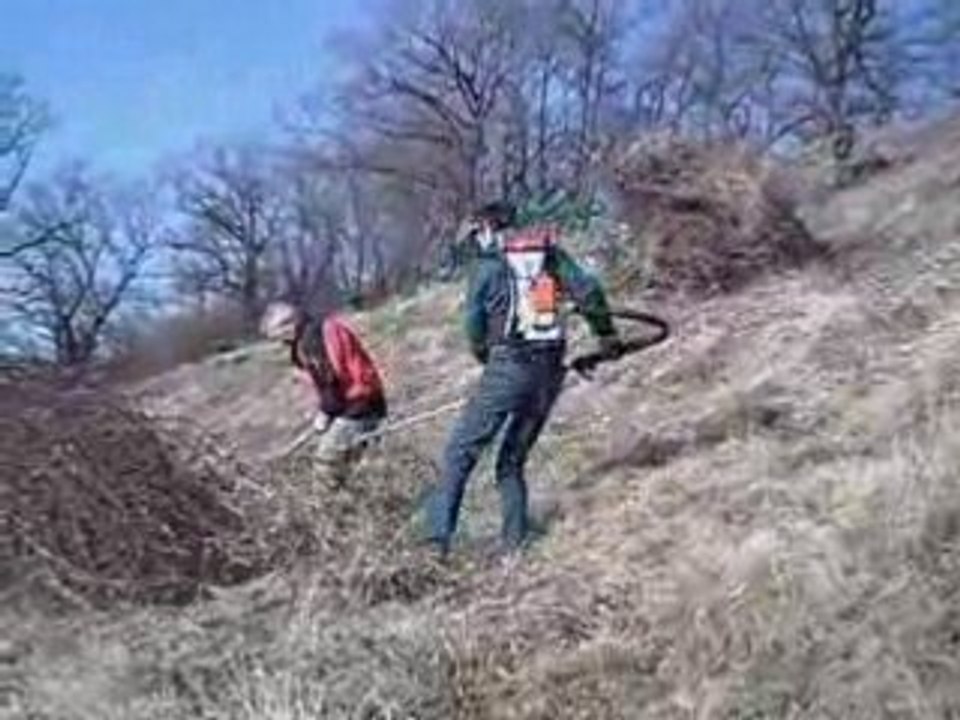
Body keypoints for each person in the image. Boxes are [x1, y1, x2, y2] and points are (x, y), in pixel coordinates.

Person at [428, 200, 621, 556]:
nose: (474, 239)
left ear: (486, 226)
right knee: (511, 460)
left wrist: (486, 357)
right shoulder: (549, 255)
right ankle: (515, 548)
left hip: (509, 365)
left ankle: (435, 545)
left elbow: (473, 326)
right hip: (550, 369)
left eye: (476, 231)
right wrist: (607, 335)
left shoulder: (488, 267)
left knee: (458, 454)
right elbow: (589, 291)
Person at [260, 301, 388, 481]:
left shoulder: (314, 338)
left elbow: (331, 379)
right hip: (352, 403)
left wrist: (325, 413)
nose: (281, 343)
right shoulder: (307, 337)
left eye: (278, 336)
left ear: (289, 324)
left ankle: (334, 503)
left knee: (326, 463)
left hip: (360, 404)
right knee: (353, 463)